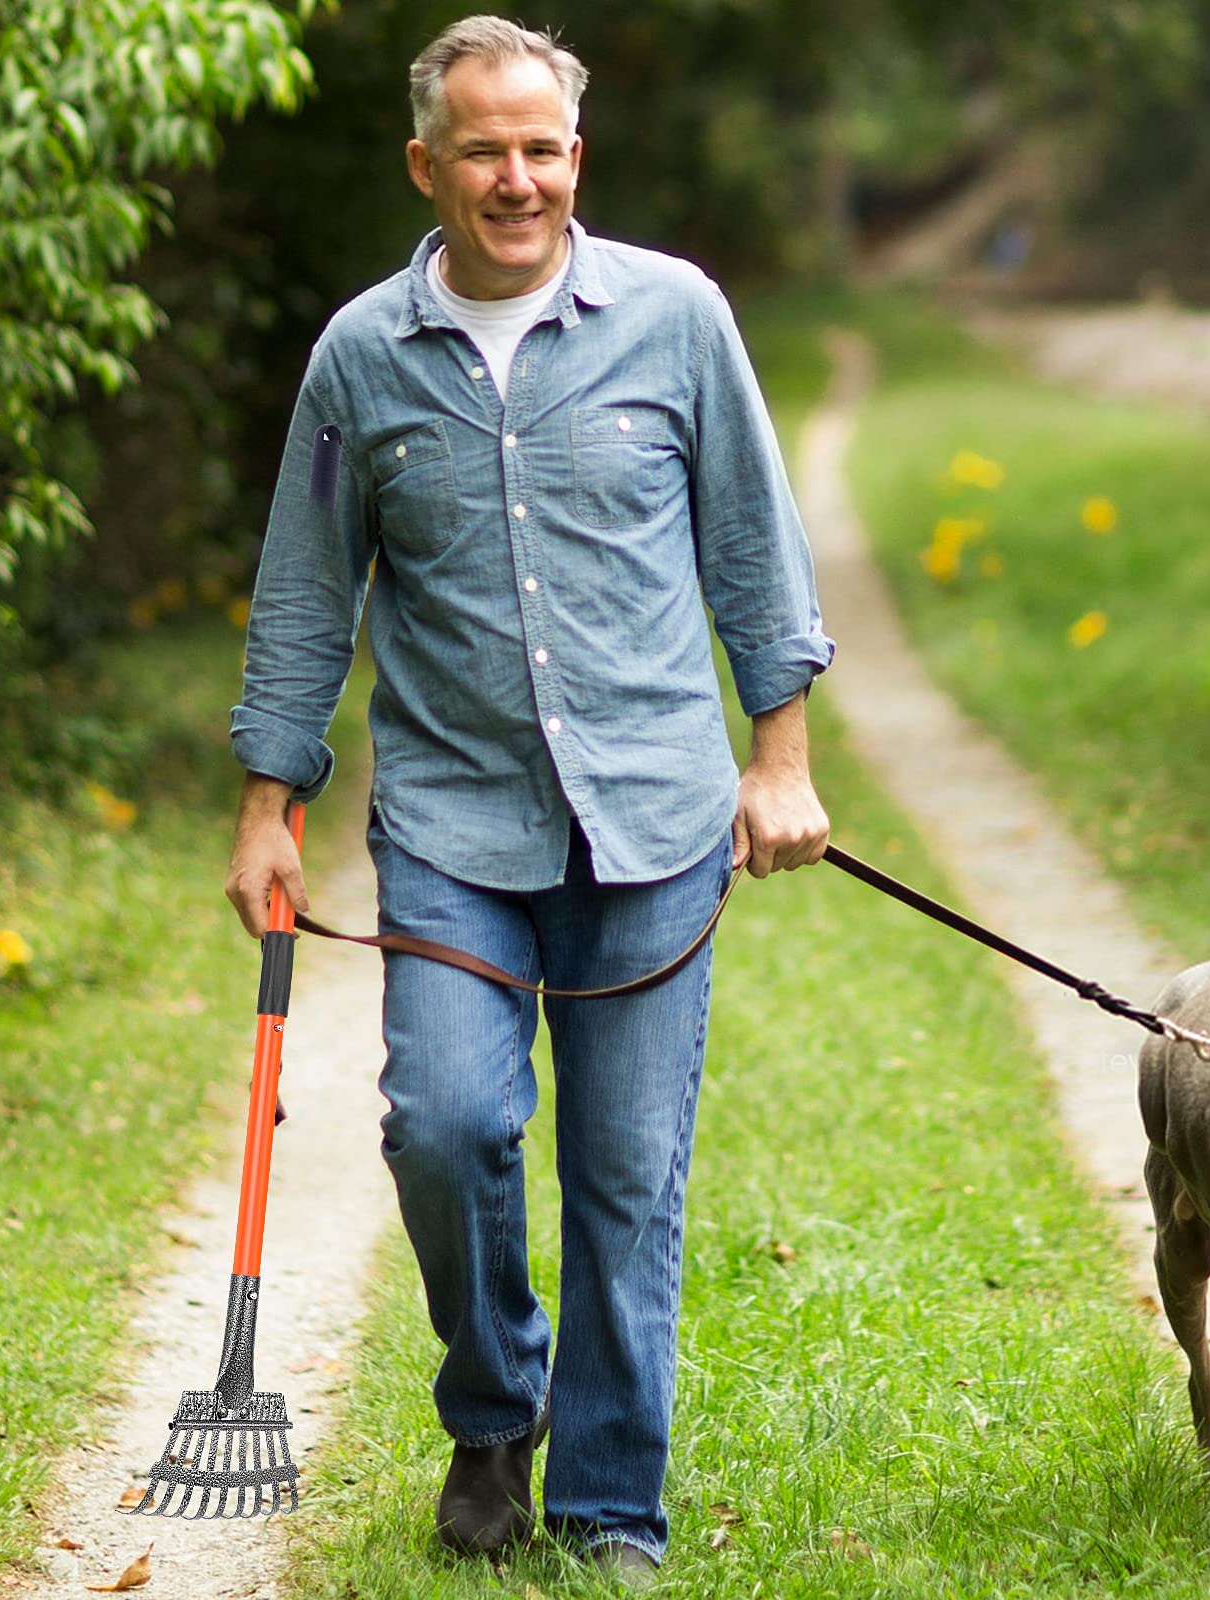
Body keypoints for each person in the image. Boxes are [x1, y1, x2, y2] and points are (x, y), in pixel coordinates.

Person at [223, 17, 832, 1586]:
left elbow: (754, 546)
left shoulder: (676, 319)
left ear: (578, 155)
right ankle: (496, 1408)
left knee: (629, 1179)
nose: (518, 178)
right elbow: (306, 593)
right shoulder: (362, 356)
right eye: (484, 150)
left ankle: (610, 1508)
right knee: (446, 1123)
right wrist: (268, 804)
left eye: (543, 147)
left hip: (651, 817)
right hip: (452, 820)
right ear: (427, 164)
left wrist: (780, 763)